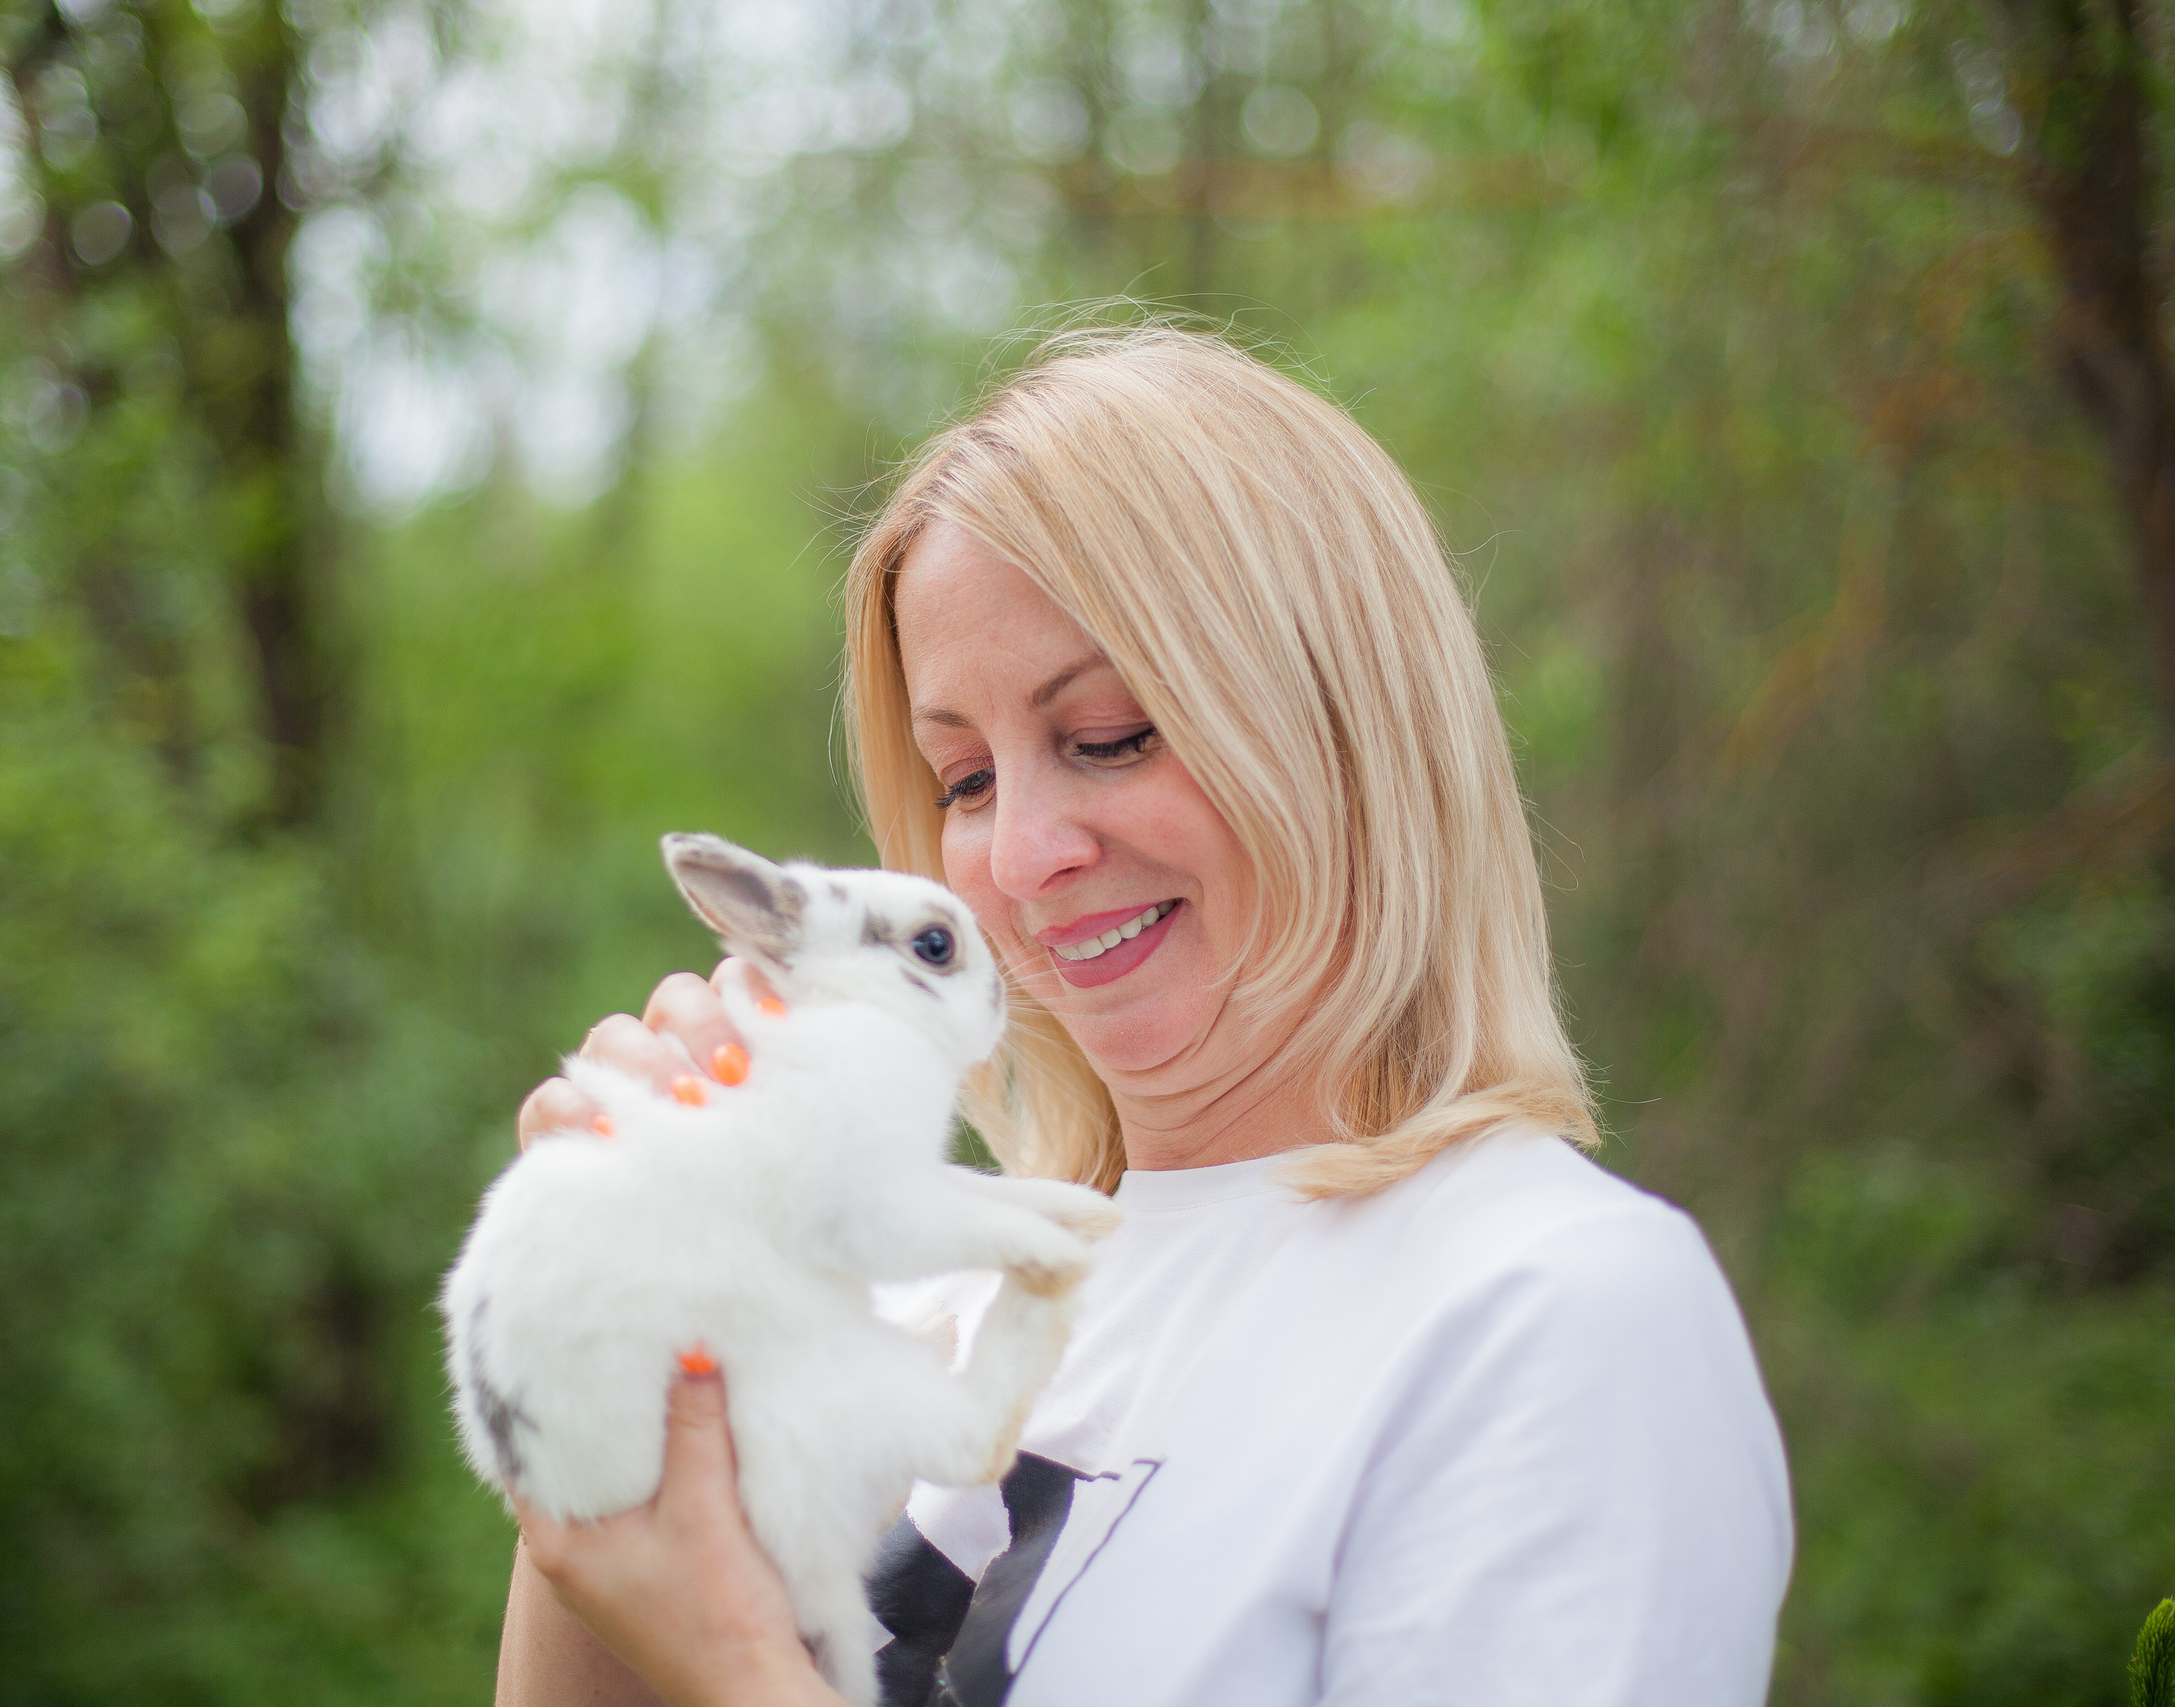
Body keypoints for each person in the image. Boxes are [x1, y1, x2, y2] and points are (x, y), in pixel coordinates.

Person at [493, 325, 1793, 1707]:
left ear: (1342, 729)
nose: (1019, 857)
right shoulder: (902, 1284)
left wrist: (746, 1671)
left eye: (1107, 736)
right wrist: (614, 1336)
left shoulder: (1551, 1313)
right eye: (965, 778)